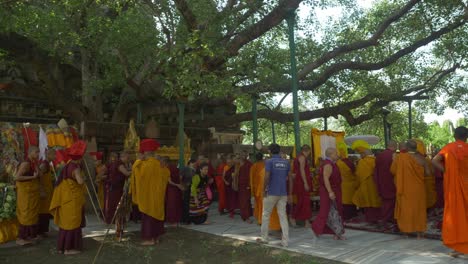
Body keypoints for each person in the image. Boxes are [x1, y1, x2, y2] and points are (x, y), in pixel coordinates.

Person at [432, 126, 468, 256]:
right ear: (466, 137)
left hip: (455, 188)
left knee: (458, 215)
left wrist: (447, 171)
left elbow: (434, 161)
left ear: (454, 136)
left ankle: (458, 248)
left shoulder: (448, 148)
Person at [49, 140, 87, 254]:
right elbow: (80, 182)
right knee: (72, 224)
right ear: (80, 156)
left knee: (65, 225)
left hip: (66, 200)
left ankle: (62, 248)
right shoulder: (75, 168)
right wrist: (84, 178)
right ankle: (69, 249)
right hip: (72, 200)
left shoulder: (67, 165)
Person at [132, 139, 169, 245]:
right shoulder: (159, 164)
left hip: (147, 197)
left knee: (148, 218)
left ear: (145, 152)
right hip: (158, 197)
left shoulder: (144, 165)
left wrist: (138, 161)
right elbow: (166, 175)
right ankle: (156, 238)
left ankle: (149, 239)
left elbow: (137, 176)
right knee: (156, 217)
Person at [391, 140, 429, 239]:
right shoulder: (422, 158)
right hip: (418, 189)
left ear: (407, 148)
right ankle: (419, 233)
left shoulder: (400, 158)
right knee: (418, 209)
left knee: (406, 209)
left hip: (405, 188)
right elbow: (428, 173)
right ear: (416, 148)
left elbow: (393, 171)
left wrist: (394, 160)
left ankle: (406, 232)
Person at [256, 144, 290, 247]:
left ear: (270, 151)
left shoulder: (269, 162)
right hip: (283, 193)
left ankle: (264, 238)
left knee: (266, 215)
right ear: (279, 151)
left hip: (271, 192)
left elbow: (267, 177)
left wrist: (264, 189)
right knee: (283, 216)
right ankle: (285, 241)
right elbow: (289, 178)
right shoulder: (286, 162)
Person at [311, 148, 345, 240]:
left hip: (335, 189)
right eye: (336, 153)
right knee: (325, 211)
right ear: (331, 154)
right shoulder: (328, 165)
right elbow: (326, 178)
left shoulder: (331, 163)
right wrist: (330, 192)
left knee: (337, 210)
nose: (337, 155)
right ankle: (316, 228)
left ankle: (337, 233)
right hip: (328, 190)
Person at [15, 146, 41, 245]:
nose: (38, 154)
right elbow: (17, 177)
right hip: (25, 193)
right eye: (36, 152)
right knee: (26, 214)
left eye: (38, 152)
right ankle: (20, 238)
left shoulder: (33, 162)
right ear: (30, 153)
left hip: (31, 193)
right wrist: (32, 177)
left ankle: (28, 236)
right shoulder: (26, 163)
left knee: (31, 214)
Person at [351, 140, 381, 223]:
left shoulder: (362, 162)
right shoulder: (376, 160)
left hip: (365, 186)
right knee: (375, 202)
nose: (360, 156)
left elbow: (359, 175)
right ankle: (378, 218)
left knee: (368, 203)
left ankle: (370, 219)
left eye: (361, 154)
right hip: (375, 185)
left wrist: (356, 185)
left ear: (364, 153)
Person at [250, 152, 281, 230]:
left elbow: (251, 179)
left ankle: (261, 220)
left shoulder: (254, 166)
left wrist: (252, 190)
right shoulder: (264, 166)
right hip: (265, 189)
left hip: (259, 189)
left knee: (260, 206)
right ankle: (264, 221)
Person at [374, 140, 397, 226]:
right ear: (394, 146)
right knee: (391, 201)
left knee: (385, 201)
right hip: (391, 181)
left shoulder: (380, 155)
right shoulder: (394, 156)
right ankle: (385, 219)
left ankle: (386, 218)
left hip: (381, 181)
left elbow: (375, 169)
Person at [104, 151, 131, 225]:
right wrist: (135, 170)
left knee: (112, 204)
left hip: (113, 186)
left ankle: (112, 220)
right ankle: (115, 221)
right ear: (124, 157)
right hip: (116, 187)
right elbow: (126, 173)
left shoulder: (115, 163)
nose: (128, 160)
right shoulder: (119, 164)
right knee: (116, 204)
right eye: (128, 158)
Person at [291, 145, 313, 227]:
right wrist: (305, 183)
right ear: (308, 150)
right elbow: (302, 170)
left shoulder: (299, 157)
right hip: (301, 182)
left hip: (300, 181)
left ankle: (305, 221)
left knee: (304, 202)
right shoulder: (302, 158)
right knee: (302, 201)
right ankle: (294, 218)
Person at [336, 142, 357, 221]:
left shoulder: (338, 163)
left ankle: (346, 216)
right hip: (351, 184)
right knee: (350, 201)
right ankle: (352, 215)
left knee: (344, 201)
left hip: (342, 184)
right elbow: (355, 172)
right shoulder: (350, 163)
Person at [37, 148, 56, 237]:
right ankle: (40, 231)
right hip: (44, 191)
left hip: (48, 190)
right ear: (48, 155)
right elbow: (39, 176)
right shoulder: (44, 165)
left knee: (46, 211)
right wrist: (41, 189)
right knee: (43, 211)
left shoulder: (48, 164)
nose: (55, 156)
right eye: (53, 154)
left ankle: (43, 230)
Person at [414, 139, 437, 210]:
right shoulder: (426, 160)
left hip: (420, 182)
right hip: (427, 181)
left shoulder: (409, 159)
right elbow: (432, 172)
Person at [163, 157, 183, 226]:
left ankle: (172, 221)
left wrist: (177, 185)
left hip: (171, 189)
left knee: (171, 205)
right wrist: (180, 185)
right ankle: (177, 220)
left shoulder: (167, 169)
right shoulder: (175, 168)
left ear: (166, 162)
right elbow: (180, 177)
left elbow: (169, 181)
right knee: (177, 204)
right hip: (177, 189)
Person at [180, 159, 196, 225]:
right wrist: (182, 185)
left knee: (190, 203)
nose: (195, 165)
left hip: (192, 188)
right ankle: (185, 219)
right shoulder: (185, 169)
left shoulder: (194, 170)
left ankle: (189, 218)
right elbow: (180, 177)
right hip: (186, 188)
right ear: (190, 163)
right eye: (194, 163)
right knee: (185, 204)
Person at [238, 152, 253, 223]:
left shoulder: (249, 164)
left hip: (247, 185)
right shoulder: (238, 164)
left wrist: (249, 184)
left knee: (247, 200)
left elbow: (251, 175)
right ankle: (245, 216)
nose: (243, 156)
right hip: (240, 185)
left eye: (245, 155)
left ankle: (247, 215)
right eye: (242, 155)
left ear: (247, 156)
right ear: (240, 156)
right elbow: (235, 174)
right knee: (243, 201)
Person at [223, 154, 239, 218]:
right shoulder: (226, 167)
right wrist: (225, 182)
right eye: (227, 162)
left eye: (230, 162)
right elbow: (223, 176)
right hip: (227, 185)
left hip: (233, 184)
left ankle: (233, 210)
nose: (229, 163)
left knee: (233, 198)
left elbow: (236, 176)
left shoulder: (235, 167)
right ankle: (230, 210)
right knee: (229, 199)